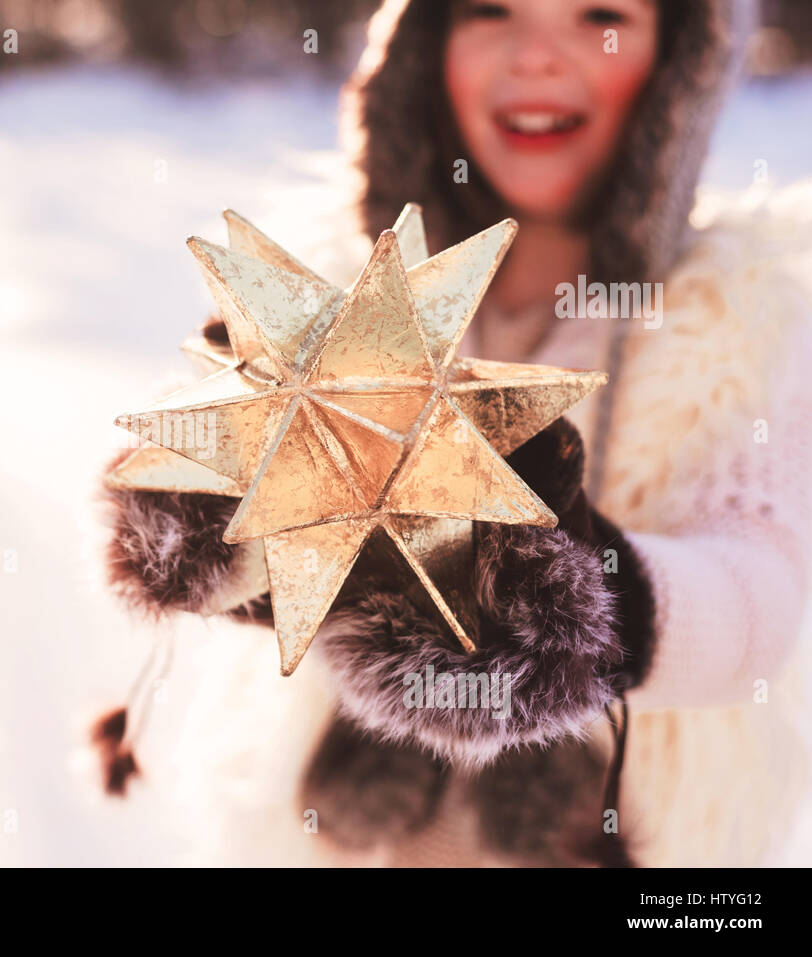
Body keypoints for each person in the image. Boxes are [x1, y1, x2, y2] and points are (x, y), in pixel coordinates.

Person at [96, 0, 812, 865]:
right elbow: (214, 475)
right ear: (425, 41)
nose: (539, 56)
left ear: (677, 65)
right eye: (490, 9)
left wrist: (580, 603)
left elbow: (760, 594)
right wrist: (201, 514)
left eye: (599, 15)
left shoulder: (750, 313)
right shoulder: (328, 283)